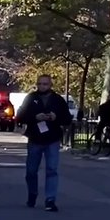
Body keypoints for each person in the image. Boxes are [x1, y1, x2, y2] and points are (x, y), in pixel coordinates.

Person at [16, 74, 73, 211]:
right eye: (40, 84)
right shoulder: (31, 98)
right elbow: (21, 117)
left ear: (50, 85)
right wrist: (35, 117)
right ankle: (32, 193)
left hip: (52, 139)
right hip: (35, 138)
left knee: (52, 170)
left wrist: (55, 117)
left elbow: (67, 119)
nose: (42, 86)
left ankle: (50, 199)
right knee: (31, 171)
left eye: (45, 84)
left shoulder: (57, 100)